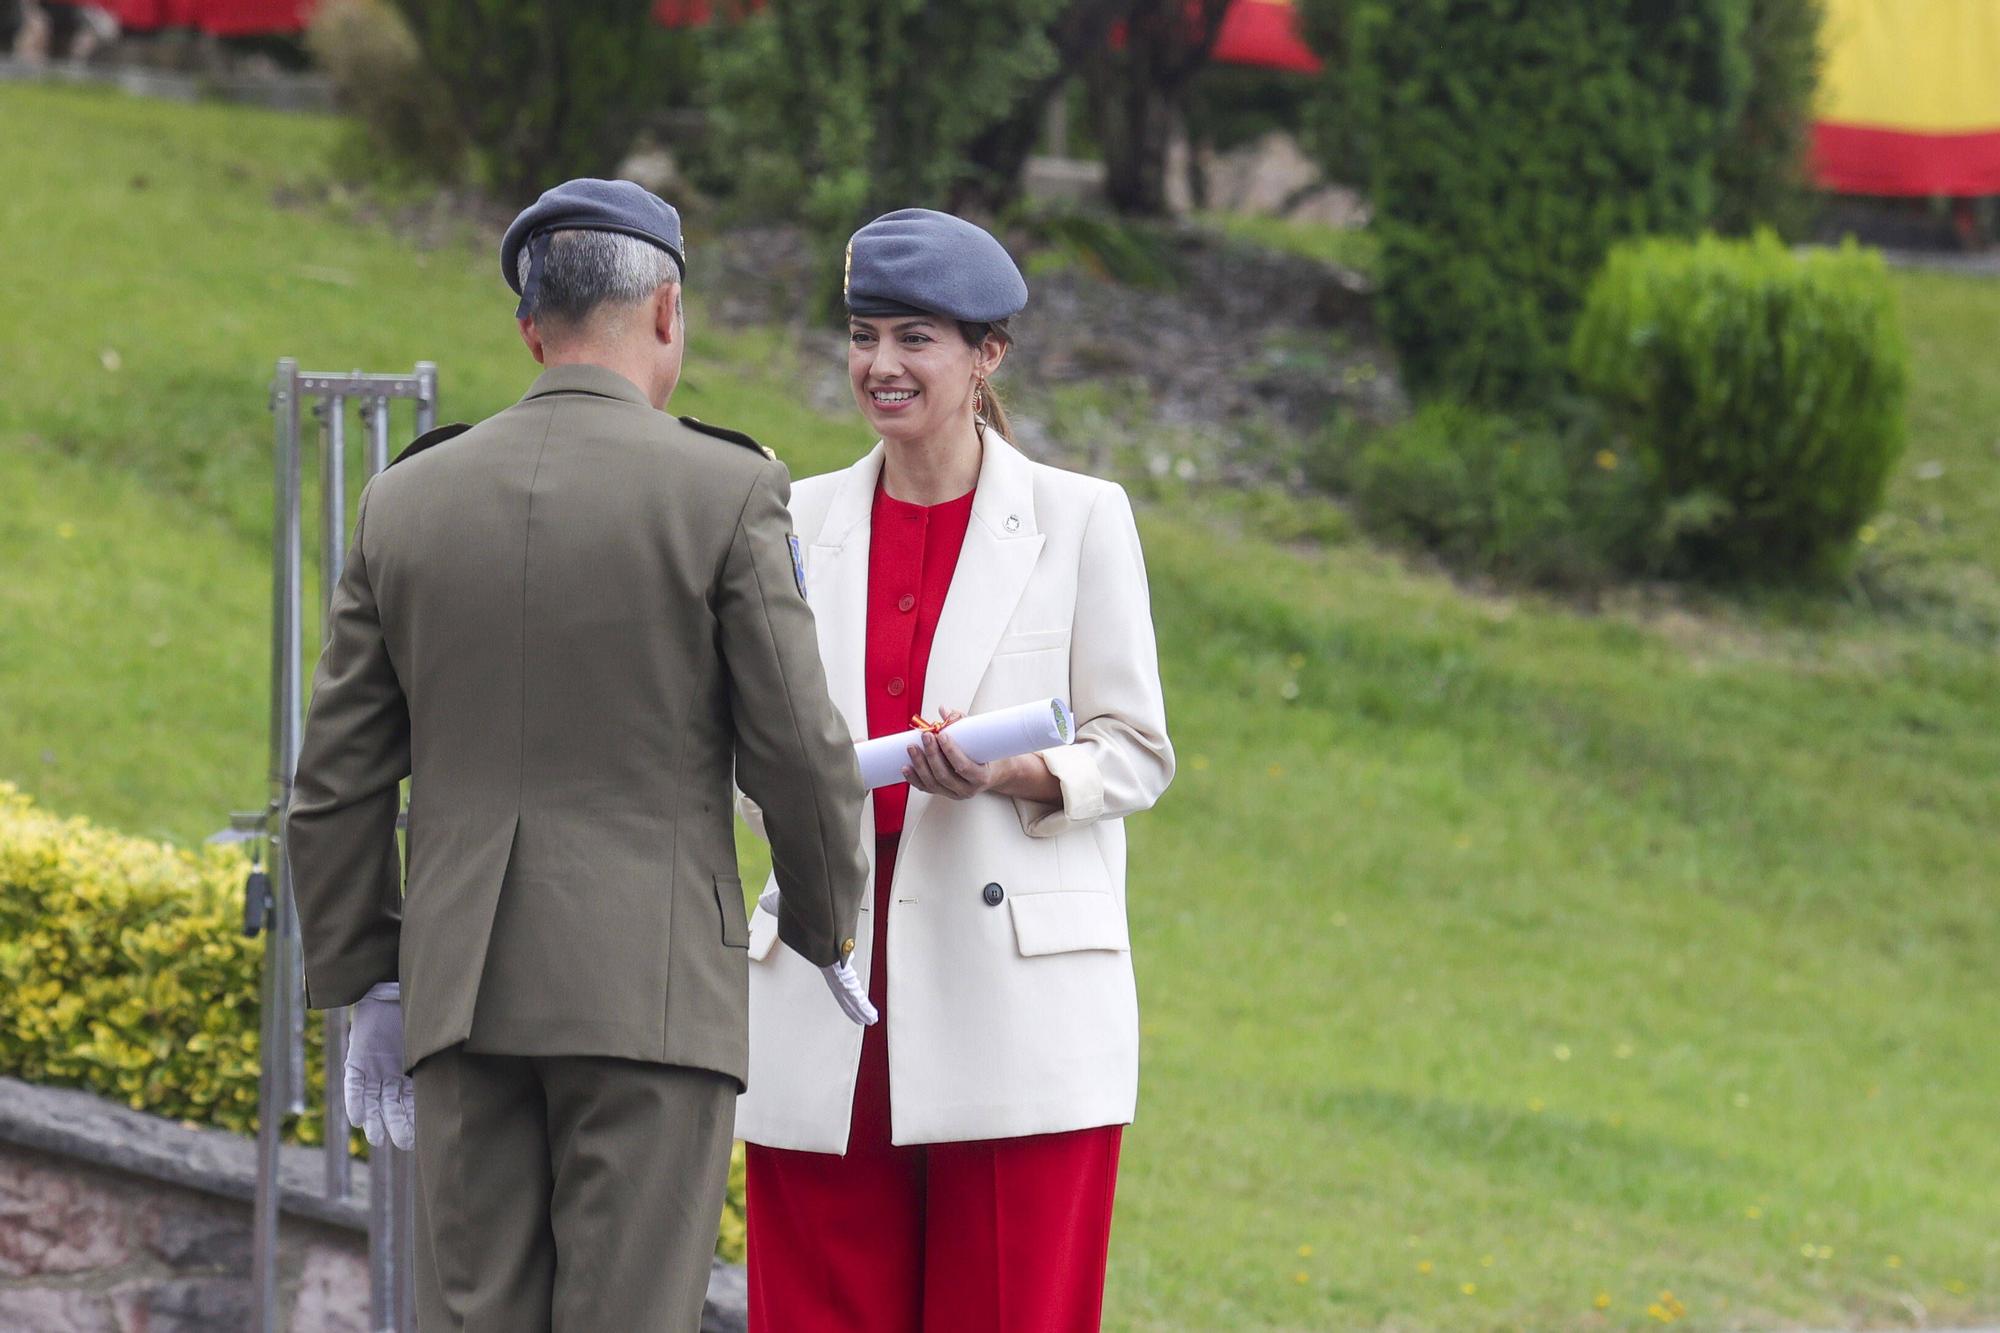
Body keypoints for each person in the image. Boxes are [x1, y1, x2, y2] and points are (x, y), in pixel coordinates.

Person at [284, 178, 874, 1332]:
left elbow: (336, 781)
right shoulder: (725, 486)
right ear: (666, 313)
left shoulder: (406, 499)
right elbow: (798, 755)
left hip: (461, 993)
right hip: (651, 994)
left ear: (528, 327)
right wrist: (822, 921)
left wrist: (371, 976)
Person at [737, 208, 1175, 1332]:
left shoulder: (1080, 519)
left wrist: (1017, 772)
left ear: (987, 357)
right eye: (862, 334)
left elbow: (1133, 749)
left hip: (1014, 1005)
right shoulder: (791, 519)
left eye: (914, 338)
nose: (880, 365)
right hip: (831, 990)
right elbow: (743, 749)